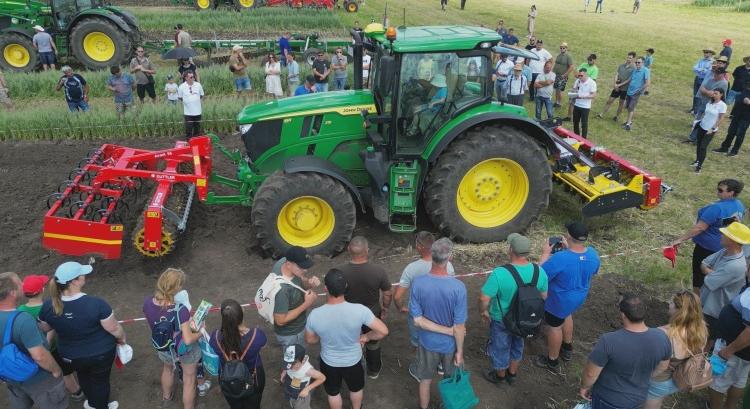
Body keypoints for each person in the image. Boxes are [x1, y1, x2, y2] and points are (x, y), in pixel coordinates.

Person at [39, 262, 126, 409]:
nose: (85, 276)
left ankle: (92, 403)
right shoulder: (96, 304)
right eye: (82, 274)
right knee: (100, 381)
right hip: (100, 353)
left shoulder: (48, 306)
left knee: (83, 376)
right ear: (74, 281)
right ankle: (100, 406)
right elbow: (114, 328)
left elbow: (45, 327)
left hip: (69, 355)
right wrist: (122, 338)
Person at [305, 269, 389, 409]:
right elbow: (383, 331)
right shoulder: (360, 310)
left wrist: (324, 336)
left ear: (326, 288)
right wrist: (366, 337)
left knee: (333, 393)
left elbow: (310, 340)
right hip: (353, 360)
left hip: (329, 361)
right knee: (356, 389)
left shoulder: (315, 314)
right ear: (345, 287)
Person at [579, 294, 671, 408]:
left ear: (623, 315)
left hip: (608, 399)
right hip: (638, 399)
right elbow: (663, 366)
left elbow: (590, 374)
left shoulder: (608, 341)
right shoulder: (662, 337)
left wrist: (585, 387)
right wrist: (641, 376)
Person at [480, 233, 548, 385]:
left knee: (500, 347)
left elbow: (484, 298)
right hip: (525, 320)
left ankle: (500, 376)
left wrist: (484, 311)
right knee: (518, 344)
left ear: (510, 250)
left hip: (501, 319)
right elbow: (544, 296)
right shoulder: (539, 271)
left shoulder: (500, 273)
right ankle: (512, 374)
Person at [533, 222, 600, 374]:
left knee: (554, 327)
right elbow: (593, 270)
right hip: (578, 297)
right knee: (567, 315)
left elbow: (540, 276)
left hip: (559, 300)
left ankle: (552, 360)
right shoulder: (593, 254)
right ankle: (567, 348)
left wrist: (544, 255)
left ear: (568, 236)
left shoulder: (560, 258)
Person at [409, 238, 467, 409]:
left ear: (432, 255)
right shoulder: (458, 287)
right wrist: (460, 351)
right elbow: (459, 327)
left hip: (427, 343)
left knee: (425, 380)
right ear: (450, 257)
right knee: (450, 381)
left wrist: (449, 331)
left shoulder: (418, 283)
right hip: (450, 346)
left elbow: (417, 320)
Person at [143, 268, 210, 409]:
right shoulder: (180, 309)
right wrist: (201, 330)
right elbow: (188, 339)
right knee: (189, 379)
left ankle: (166, 398)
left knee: (167, 369)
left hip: (164, 346)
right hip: (184, 349)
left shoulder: (148, 303)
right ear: (176, 288)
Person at [0, 272, 67, 409]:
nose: (23, 285)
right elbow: (40, 356)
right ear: (12, 293)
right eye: (20, 283)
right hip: (38, 379)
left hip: (11, 375)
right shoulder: (23, 320)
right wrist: (55, 370)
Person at [394, 232, 455, 376]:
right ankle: (441, 365)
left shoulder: (412, 268)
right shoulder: (449, 265)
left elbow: (397, 296)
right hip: (442, 311)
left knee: (418, 340)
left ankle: (422, 368)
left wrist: (401, 307)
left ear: (420, 246)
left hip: (419, 314)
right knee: (441, 335)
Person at [670, 178, 745, 295]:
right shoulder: (739, 205)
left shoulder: (717, 208)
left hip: (706, 248)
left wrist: (679, 239)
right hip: (723, 247)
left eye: (721, 190)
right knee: (714, 273)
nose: (717, 192)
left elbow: (699, 227)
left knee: (699, 275)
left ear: (731, 193)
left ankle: (697, 300)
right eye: (718, 188)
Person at [20, 274, 83, 401]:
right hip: (53, 348)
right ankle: (76, 392)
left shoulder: (20, 309)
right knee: (66, 372)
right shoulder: (49, 308)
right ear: (42, 290)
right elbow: (51, 329)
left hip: (32, 349)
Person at [336, 236, 392, 379]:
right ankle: (373, 370)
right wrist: (385, 308)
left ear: (348, 250)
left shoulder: (339, 272)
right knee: (373, 341)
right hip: (372, 313)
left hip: (348, 314)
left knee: (350, 340)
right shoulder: (378, 270)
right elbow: (387, 293)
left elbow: (334, 296)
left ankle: (351, 367)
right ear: (367, 250)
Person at [643, 291, 708, 409]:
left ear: (679, 311)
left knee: (652, 400)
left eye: (672, 303)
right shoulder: (701, 328)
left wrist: (646, 377)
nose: (669, 304)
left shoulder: (663, 333)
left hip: (660, 380)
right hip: (682, 377)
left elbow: (658, 364)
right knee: (660, 396)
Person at [209, 299, 267, 409]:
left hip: (228, 379)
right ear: (242, 313)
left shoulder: (215, 337)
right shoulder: (256, 335)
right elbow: (263, 346)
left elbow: (213, 347)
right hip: (253, 378)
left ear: (223, 317)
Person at [700, 222, 750, 345]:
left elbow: (709, 282)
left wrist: (709, 272)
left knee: (705, 340)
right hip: (706, 303)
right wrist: (714, 273)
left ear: (732, 240)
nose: (721, 235)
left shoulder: (735, 266)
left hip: (714, 310)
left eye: (725, 234)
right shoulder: (725, 251)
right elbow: (703, 263)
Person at [272, 246, 321, 350]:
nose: (305, 269)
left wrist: (308, 284)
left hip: (298, 328)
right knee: (295, 365)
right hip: (292, 335)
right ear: (289, 264)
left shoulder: (283, 262)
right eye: (301, 267)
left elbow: (298, 281)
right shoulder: (282, 290)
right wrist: (307, 304)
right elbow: (280, 320)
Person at [711, 286, 750, 409]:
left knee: (717, 382)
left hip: (733, 348)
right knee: (738, 380)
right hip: (741, 351)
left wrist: (729, 350)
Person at [280, 344, 326, 409]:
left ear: (303, 360)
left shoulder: (307, 370)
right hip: (291, 388)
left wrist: (307, 389)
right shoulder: (290, 365)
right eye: (287, 364)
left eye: (293, 364)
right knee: (293, 403)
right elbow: (287, 367)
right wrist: (284, 372)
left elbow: (322, 378)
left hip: (301, 394)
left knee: (301, 407)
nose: (290, 368)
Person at [692, 88, 727, 173]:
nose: (713, 95)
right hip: (702, 126)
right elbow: (705, 113)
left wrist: (713, 128)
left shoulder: (722, 105)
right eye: (713, 93)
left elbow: (721, 118)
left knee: (703, 147)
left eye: (716, 93)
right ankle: (697, 160)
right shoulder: (710, 102)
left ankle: (699, 166)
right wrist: (698, 121)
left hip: (710, 129)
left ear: (721, 94)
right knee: (699, 144)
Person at [715, 80, 750, 156]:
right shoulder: (745, 90)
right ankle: (724, 147)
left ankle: (734, 151)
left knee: (740, 134)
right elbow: (738, 100)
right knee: (731, 132)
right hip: (737, 115)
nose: (747, 86)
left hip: (746, 118)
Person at [597, 52, 635, 122]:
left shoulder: (633, 68)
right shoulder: (621, 66)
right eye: (628, 57)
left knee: (621, 103)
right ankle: (601, 114)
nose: (628, 59)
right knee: (609, 101)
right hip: (617, 87)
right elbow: (616, 74)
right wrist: (615, 84)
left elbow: (629, 80)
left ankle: (616, 116)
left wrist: (619, 85)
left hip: (625, 89)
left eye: (630, 58)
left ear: (633, 59)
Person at [564, 54, 598, 121]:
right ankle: (569, 116)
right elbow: (577, 73)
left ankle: (577, 117)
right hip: (578, 84)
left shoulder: (595, 69)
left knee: (579, 102)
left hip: (585, 87)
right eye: (588, 60)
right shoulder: (583, 64)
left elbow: (592, 80)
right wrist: (579, 76)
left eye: (590, 60)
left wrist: (582, 77)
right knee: (571, 101)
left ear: (594, 60)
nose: (588, 62)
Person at [622, 56, 650, 131]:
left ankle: (628, 125)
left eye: (639, 62)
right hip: (629, 91)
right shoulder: (634, 70)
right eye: (636, 62)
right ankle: (629, 121)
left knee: (631, 107)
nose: (637, 64)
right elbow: (629, 79)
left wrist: (640, 90)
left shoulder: (645, 70)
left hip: (636, 93)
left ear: (643, 63)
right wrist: (619, 85)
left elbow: (647, 83)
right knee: (628, 107)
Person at [570, 68, 597, 137]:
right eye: (579, 75)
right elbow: (573, 90)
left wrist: (582, 97)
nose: (580, 77)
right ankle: (576, 136)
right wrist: (573, 93)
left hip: (585, 106)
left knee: (584, 124)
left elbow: (593, 95)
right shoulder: (578, 81)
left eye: (581, 75)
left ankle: (584, 139)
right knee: (575, 122)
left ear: (586, 74)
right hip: (577, 104)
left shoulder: (592, 83)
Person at [177, 72, 204, 139]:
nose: (193, 78)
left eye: (193, 76)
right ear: (186, 78)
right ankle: (189, 142)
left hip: (198, 112)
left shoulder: (198, 85)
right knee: (189, 128)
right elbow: (180, 98)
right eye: (191, 77)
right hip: (188, 112)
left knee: (197, 129)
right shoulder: (181, 87)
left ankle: (196, 143)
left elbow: (201, 95)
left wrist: (194, 100)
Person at [692, 48, 716, 114]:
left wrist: (699, 69)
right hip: (698, 78)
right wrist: (703, 69)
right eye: (705, 52)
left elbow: (708, 72)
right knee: (695, 94)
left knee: (700, 95)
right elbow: (694, 68)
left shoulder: (713, 62)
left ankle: (697, 111)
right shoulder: (701, 60)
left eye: (707, 52)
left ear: (711, 54)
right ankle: (693, 109)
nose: (705, 54)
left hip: (705, 80)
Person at [553, 42, 574, 107]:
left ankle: (560, 103)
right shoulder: (559, 55)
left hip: (563, 76)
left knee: (559, 90)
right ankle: (556, 102)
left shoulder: (568, 56)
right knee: (556, 89)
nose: (562, 49)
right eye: (561, 48)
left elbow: (571, 67)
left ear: (566, 48)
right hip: (556, 75)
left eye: (563, 48)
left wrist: (565, 75)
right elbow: (556, 65)